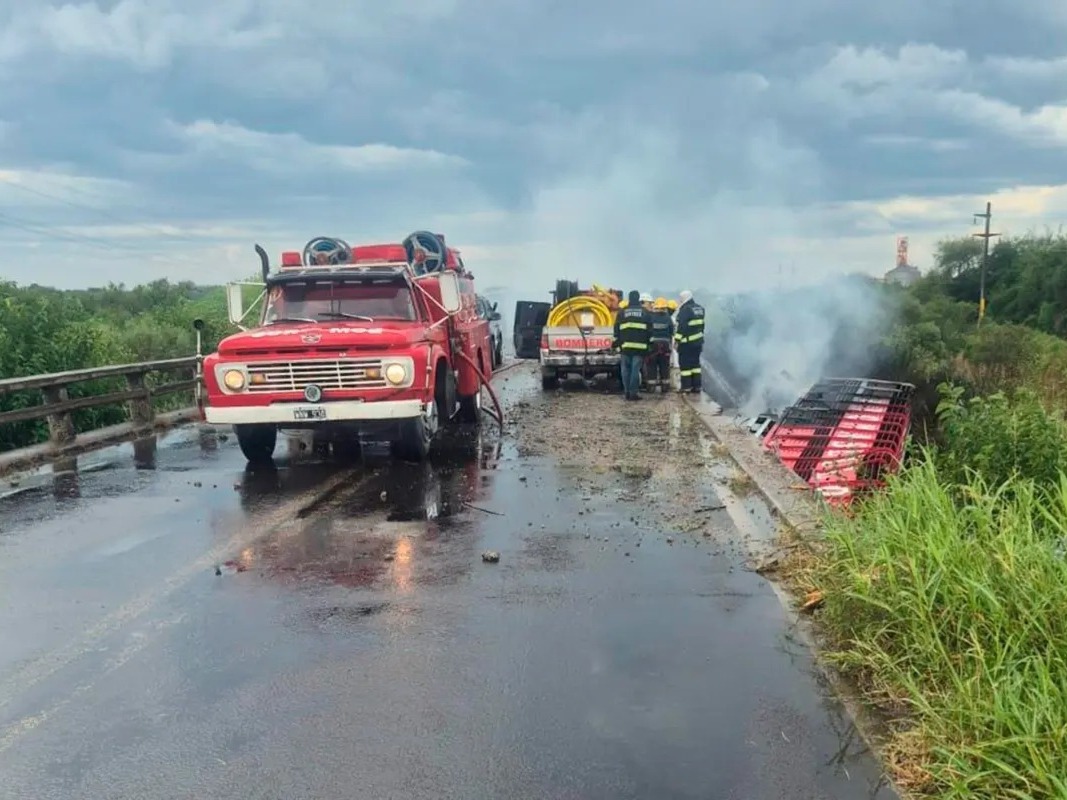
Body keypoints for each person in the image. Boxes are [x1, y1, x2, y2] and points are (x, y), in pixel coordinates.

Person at [613, 289, 652, 400]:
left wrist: (617, 343)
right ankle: (633, 393)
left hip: (625, 347)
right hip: (640, 348)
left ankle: (626, 392)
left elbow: (616, 330)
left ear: (629, 299)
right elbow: (650, 331)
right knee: (635, 370)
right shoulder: (645, 313)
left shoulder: (622, 313)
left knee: (625, 370)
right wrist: (650, 345)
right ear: (638, 299)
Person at [674, 289, 705, 393]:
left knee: (685, 366)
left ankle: (686, 387)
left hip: (687, 344)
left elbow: (681, 327)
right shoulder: (700, 308)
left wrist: (677, 340)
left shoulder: (685, 310)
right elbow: (702, 326)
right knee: (696, 365)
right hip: (698, 343)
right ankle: (697, 387)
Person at [647, 297, 674, 392]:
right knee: (664, 365)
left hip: (653, 344)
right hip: (665, 344)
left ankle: (651, 387)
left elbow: (647, 330)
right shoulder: (668, 317)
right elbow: (671, 331)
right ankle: (665, 387)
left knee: (651, 365)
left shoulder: (650, 316)